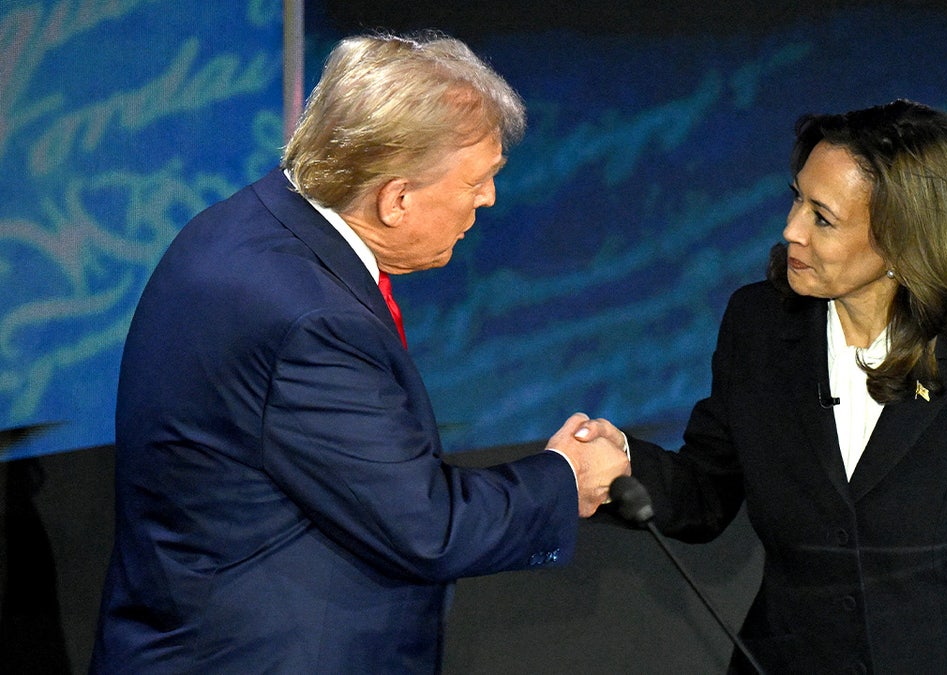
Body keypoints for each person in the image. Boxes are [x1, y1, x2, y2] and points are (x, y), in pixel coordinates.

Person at [90, 32, 629, 673]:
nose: (487, 200)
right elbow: (426, 527)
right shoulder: (310, 320)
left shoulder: (251, 225)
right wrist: (565, 479)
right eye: (479, 181)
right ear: (396, 198)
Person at [576, 100, 947, 673]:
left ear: (902, 237)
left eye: (822, 216)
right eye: (796, 197)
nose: (790, 228)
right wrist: (620, 466)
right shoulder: (760, 327)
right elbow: (705, 493)